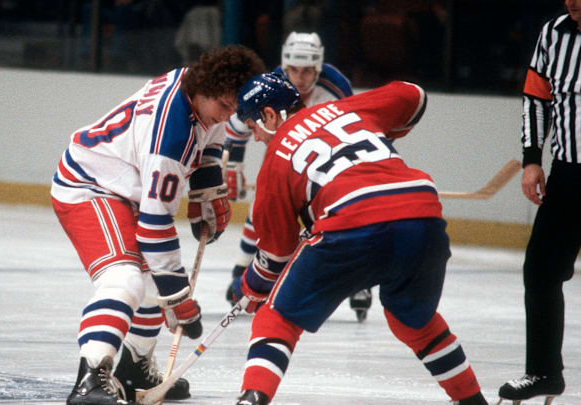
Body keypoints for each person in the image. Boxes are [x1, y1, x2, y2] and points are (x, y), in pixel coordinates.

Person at [230, 73, 489, 405]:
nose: (255, 138)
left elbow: (275, 256)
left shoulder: (275, 160)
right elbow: (414, 95)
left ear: (268, 115)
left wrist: (247, 288)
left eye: (253, 127)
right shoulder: (348, 109)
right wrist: (370, 126)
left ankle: (253, 398)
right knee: (413, 321)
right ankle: (472, 401)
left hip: (352, 221)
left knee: (276, 317)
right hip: (422, 211)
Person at [51, 45, 265, 405]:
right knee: (126, 278)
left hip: (125, 186)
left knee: (153, 279)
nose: (229, 116)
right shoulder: (172, 135)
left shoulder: (196, 88)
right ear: (205, 90)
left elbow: (211, 135)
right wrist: (179, 297)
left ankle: (133, 366)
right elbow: (154, 226)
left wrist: (206, 189)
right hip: (90, 186)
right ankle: (90, 378)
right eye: (225, 107)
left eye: (235, 109)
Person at [223, 32, 374, 322]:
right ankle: (243, 268)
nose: (300, 78)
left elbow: (356, 129)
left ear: (318, 68)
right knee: (264, 205)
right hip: (284, 154)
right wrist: (233, 168)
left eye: (307, 71)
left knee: (343, 215)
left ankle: (362, 281)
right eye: (294, 70)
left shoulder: (336, 87)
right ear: (284, 66)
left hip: (324, 162)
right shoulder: (270, 85)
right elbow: (237, 126)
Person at [497, 1, 581, 404]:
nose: (573, 1)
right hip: (568, 173)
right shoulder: (554, 32)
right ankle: (545, 372)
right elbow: (536, 97)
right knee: (541, 271)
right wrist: (533, 160)